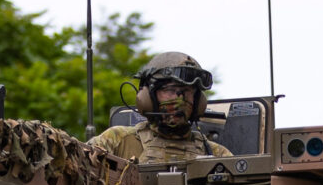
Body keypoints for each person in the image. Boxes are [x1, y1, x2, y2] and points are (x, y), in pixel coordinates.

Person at [89, 53, 232, 164]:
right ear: (148, 97)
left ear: (198, 100)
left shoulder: (217, 155)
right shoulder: (117, 141)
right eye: (170, 90)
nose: (180, 100)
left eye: (188, 92)